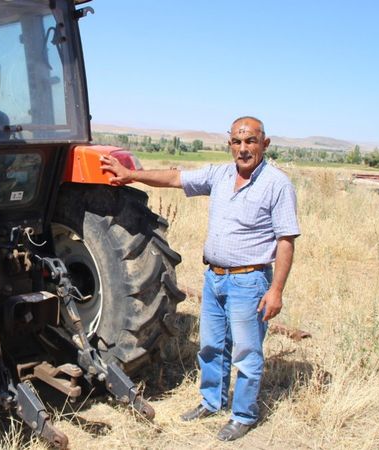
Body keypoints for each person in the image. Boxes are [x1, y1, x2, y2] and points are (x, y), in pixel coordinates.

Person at [100, 116, 300, 441]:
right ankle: (211, 401)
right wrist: (132, 174)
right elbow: (174, 177)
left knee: (246, 353)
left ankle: (243, 415)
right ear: (229, 144)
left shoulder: (277, 184)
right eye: (237, 141)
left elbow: (286, 240)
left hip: (249, 281)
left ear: (265, 144)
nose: (243, 148)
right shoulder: (220, 175)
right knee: (211, 347)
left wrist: (276, 290)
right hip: (215, 278)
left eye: (250, 141)